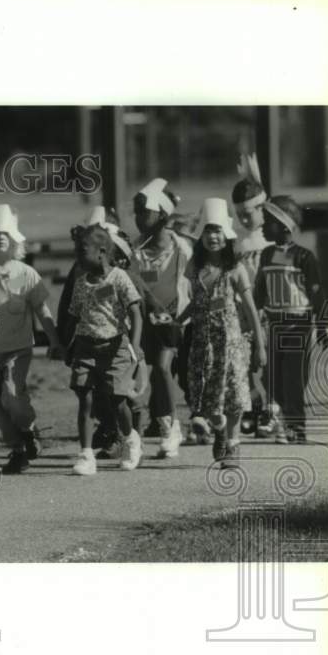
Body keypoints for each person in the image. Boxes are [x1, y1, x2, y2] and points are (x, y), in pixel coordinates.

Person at [0, 204, 64, 474]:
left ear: (14, 239)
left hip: (19, 348)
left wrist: (55, 341)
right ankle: (18, 450)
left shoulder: (26, 274)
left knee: (11, 392)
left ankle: (30, 429)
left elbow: (42, 311)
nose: (0, 237)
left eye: (5, 233)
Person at [175, 199, 266, 467]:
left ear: (226, 236)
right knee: (207, 396)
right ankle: (219, 430)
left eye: (217, 231)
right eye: (207, 231)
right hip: (203, 343)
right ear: (201, 235)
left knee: (235, 395)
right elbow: (196, 303)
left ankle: (233, 443)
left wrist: (259, 347)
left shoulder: (236, 270)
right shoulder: (195, 268)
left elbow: (250, 310)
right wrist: (177, 320)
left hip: (231, 343)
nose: (212, 237)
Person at [67, 223, 144, 476]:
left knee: (118, 400)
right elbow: (75, 317)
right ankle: (86, 454)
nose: (77, 256)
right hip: (86, 348)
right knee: (85, 399)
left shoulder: (119, 277)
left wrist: (134, 347)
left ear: (101, 252)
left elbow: (135, 312)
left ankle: (131, 439)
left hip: (115, 348)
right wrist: (69, 346)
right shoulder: (80, 283)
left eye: (82, 251)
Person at [253, 195, 324, 444]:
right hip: (274, 325)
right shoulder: (266, 254)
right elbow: (259, 290)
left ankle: (296, 428)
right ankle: (287, 420)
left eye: (267, 222)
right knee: (272, 377)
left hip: (298, 325)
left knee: (294, 378)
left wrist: (323, 327)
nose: (262, 227)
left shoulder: (304, 256)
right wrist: (252, 317)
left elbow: (316, 293)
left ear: (284, 226)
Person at [130, 178, 192, 458]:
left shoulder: (184, 249)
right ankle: (144, 428)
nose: (139, 218)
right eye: (137, 212)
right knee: (150, 373)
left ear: (163, 215)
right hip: (144, 323)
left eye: (145, 212)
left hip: (177, 323)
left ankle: (172, 427)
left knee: (164, 368)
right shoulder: (134, 251)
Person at [231, 154, 273, 437]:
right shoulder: (237, 242)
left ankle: (272, 408)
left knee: (268, 361)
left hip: (268, 308)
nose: (245, 219)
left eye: (250, 213)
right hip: (243, 310)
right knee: (243, 362)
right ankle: (255, 405)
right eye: (240, 214)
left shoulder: (271, 238)